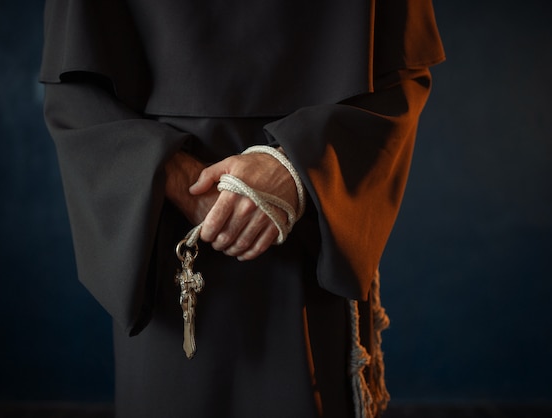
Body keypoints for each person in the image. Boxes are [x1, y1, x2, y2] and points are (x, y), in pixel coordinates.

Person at [40, 0, 444, 417]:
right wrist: (178, 179)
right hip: (166, 229)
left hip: (310, 227)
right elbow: (74, 87)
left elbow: (400, 72)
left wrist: (296, 166)